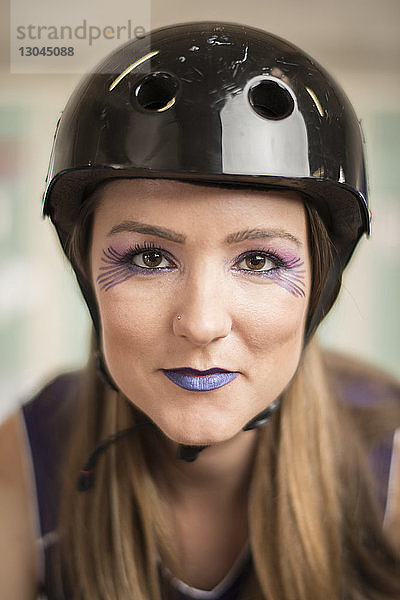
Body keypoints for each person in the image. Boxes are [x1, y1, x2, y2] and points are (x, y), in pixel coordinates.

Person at [1, 21, 399, 600]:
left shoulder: (389, 460)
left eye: (259, 261)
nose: (203, 323)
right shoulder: (29, 455)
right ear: (86, 275)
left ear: (321, 285)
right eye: (148, 257)